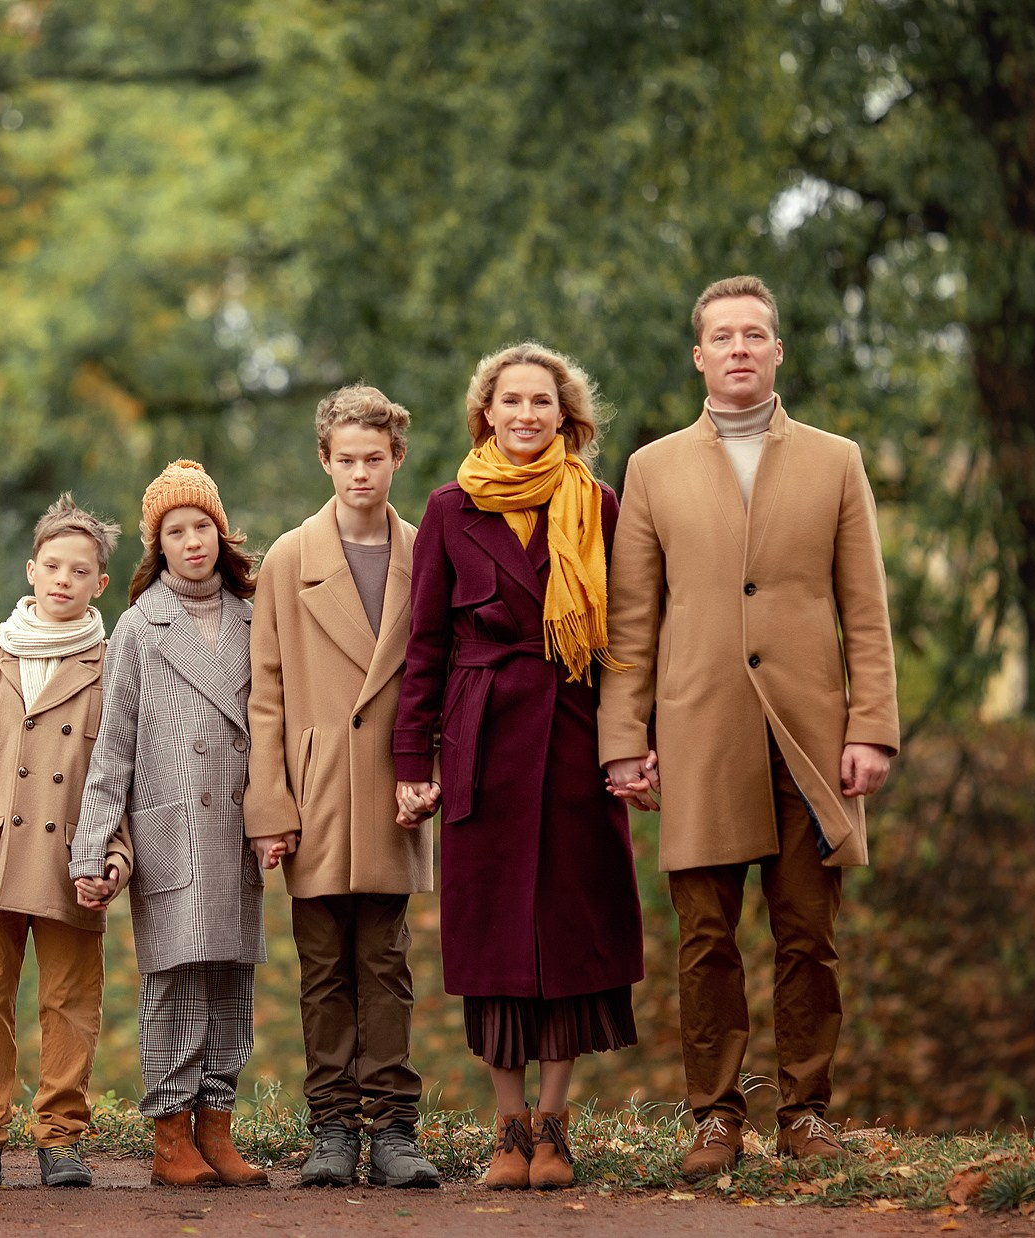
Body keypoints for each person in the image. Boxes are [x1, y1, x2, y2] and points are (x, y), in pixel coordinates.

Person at [599, 275, 898, 1179]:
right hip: (699, 733)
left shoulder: (834, 460)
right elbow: (630, 621)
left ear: (777, 352)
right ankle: (715, 1118)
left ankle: (805, 1113)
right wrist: (624, 740)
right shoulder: (652, 467)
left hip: (811, 734)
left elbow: (866, 608)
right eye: (721, 336)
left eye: (754, 334)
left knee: (810, 933)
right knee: (705, 938)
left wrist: (872, 726)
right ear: (699, 355)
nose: (738, 348)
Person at [392, 343, 645, 1191]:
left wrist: (631, 744)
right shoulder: (447, 509)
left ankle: (555, 1127)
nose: (527, 415)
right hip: (484, 743)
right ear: (486, 414)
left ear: (565, 416)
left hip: (575, 739)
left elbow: (629, 645)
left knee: (571, 932)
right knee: (494, 938)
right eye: (512, 401)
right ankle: (505, 1128)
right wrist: (411, 757)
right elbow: (424, 646)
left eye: (543, 402)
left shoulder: (600, 506)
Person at [245, 385, 440, 1189]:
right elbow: (266, 690)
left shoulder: (427, 550)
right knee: (322, 966)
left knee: (387, 962)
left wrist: (427, 771)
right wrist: (270, 806)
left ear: (398, 458)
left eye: (375, 459)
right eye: (346, 459)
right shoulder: (291, 557)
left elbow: (439, 674)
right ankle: (330, 1127)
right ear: (323, 459)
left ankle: (393, 1129)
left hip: (394, 787)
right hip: (317, 785)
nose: (361, 473)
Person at [69, 459, 268, 1189]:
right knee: (174, 982)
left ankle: (218, 1127)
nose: (193, 541)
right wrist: (93, 847)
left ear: (221, 533)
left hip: (236, 826)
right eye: (176, 531)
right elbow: (112, 748)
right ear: (158, 543)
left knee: (230, 981)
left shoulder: (254, 617)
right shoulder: (139, 627)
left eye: (203, 527)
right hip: (170, 825)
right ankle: (168, 1135)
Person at [0, 495, 131, 1189]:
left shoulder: (113, 666)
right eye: (52, 565)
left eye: (79, 571)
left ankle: (61, 1138)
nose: (63, 579)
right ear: (31, 568)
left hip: (73, 856)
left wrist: (115, 856)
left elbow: (126, 770)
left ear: (99, 584)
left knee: (70, 1002)